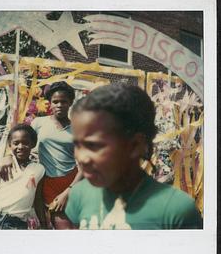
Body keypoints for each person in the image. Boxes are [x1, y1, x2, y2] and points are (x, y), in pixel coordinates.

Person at [65, 83, 203, 229]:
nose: (82, 158)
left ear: (135, 145)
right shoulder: (79, 195)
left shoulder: (176, 210)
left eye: (94, 146)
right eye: (77, 145)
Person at [0, 81, 83, 229]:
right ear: (49, 103)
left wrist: (68, 191)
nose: (59, 105)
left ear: (70, 103)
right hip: (48, 182)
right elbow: (19, 141)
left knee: (78, 227)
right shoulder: (39, 122)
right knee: (63, 227)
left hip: (72, 182)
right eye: (55, 101)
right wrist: (8, 157)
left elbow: (85, 166)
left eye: (64, 101)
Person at [0, 124, 45, 230]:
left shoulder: (39, 169)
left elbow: (38, 199)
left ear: (33, 144)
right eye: (16, 143)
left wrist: (44, 225)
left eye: (26, 143)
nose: (20, 147)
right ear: (10, 145)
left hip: (17, 224)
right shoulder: (3, 164)